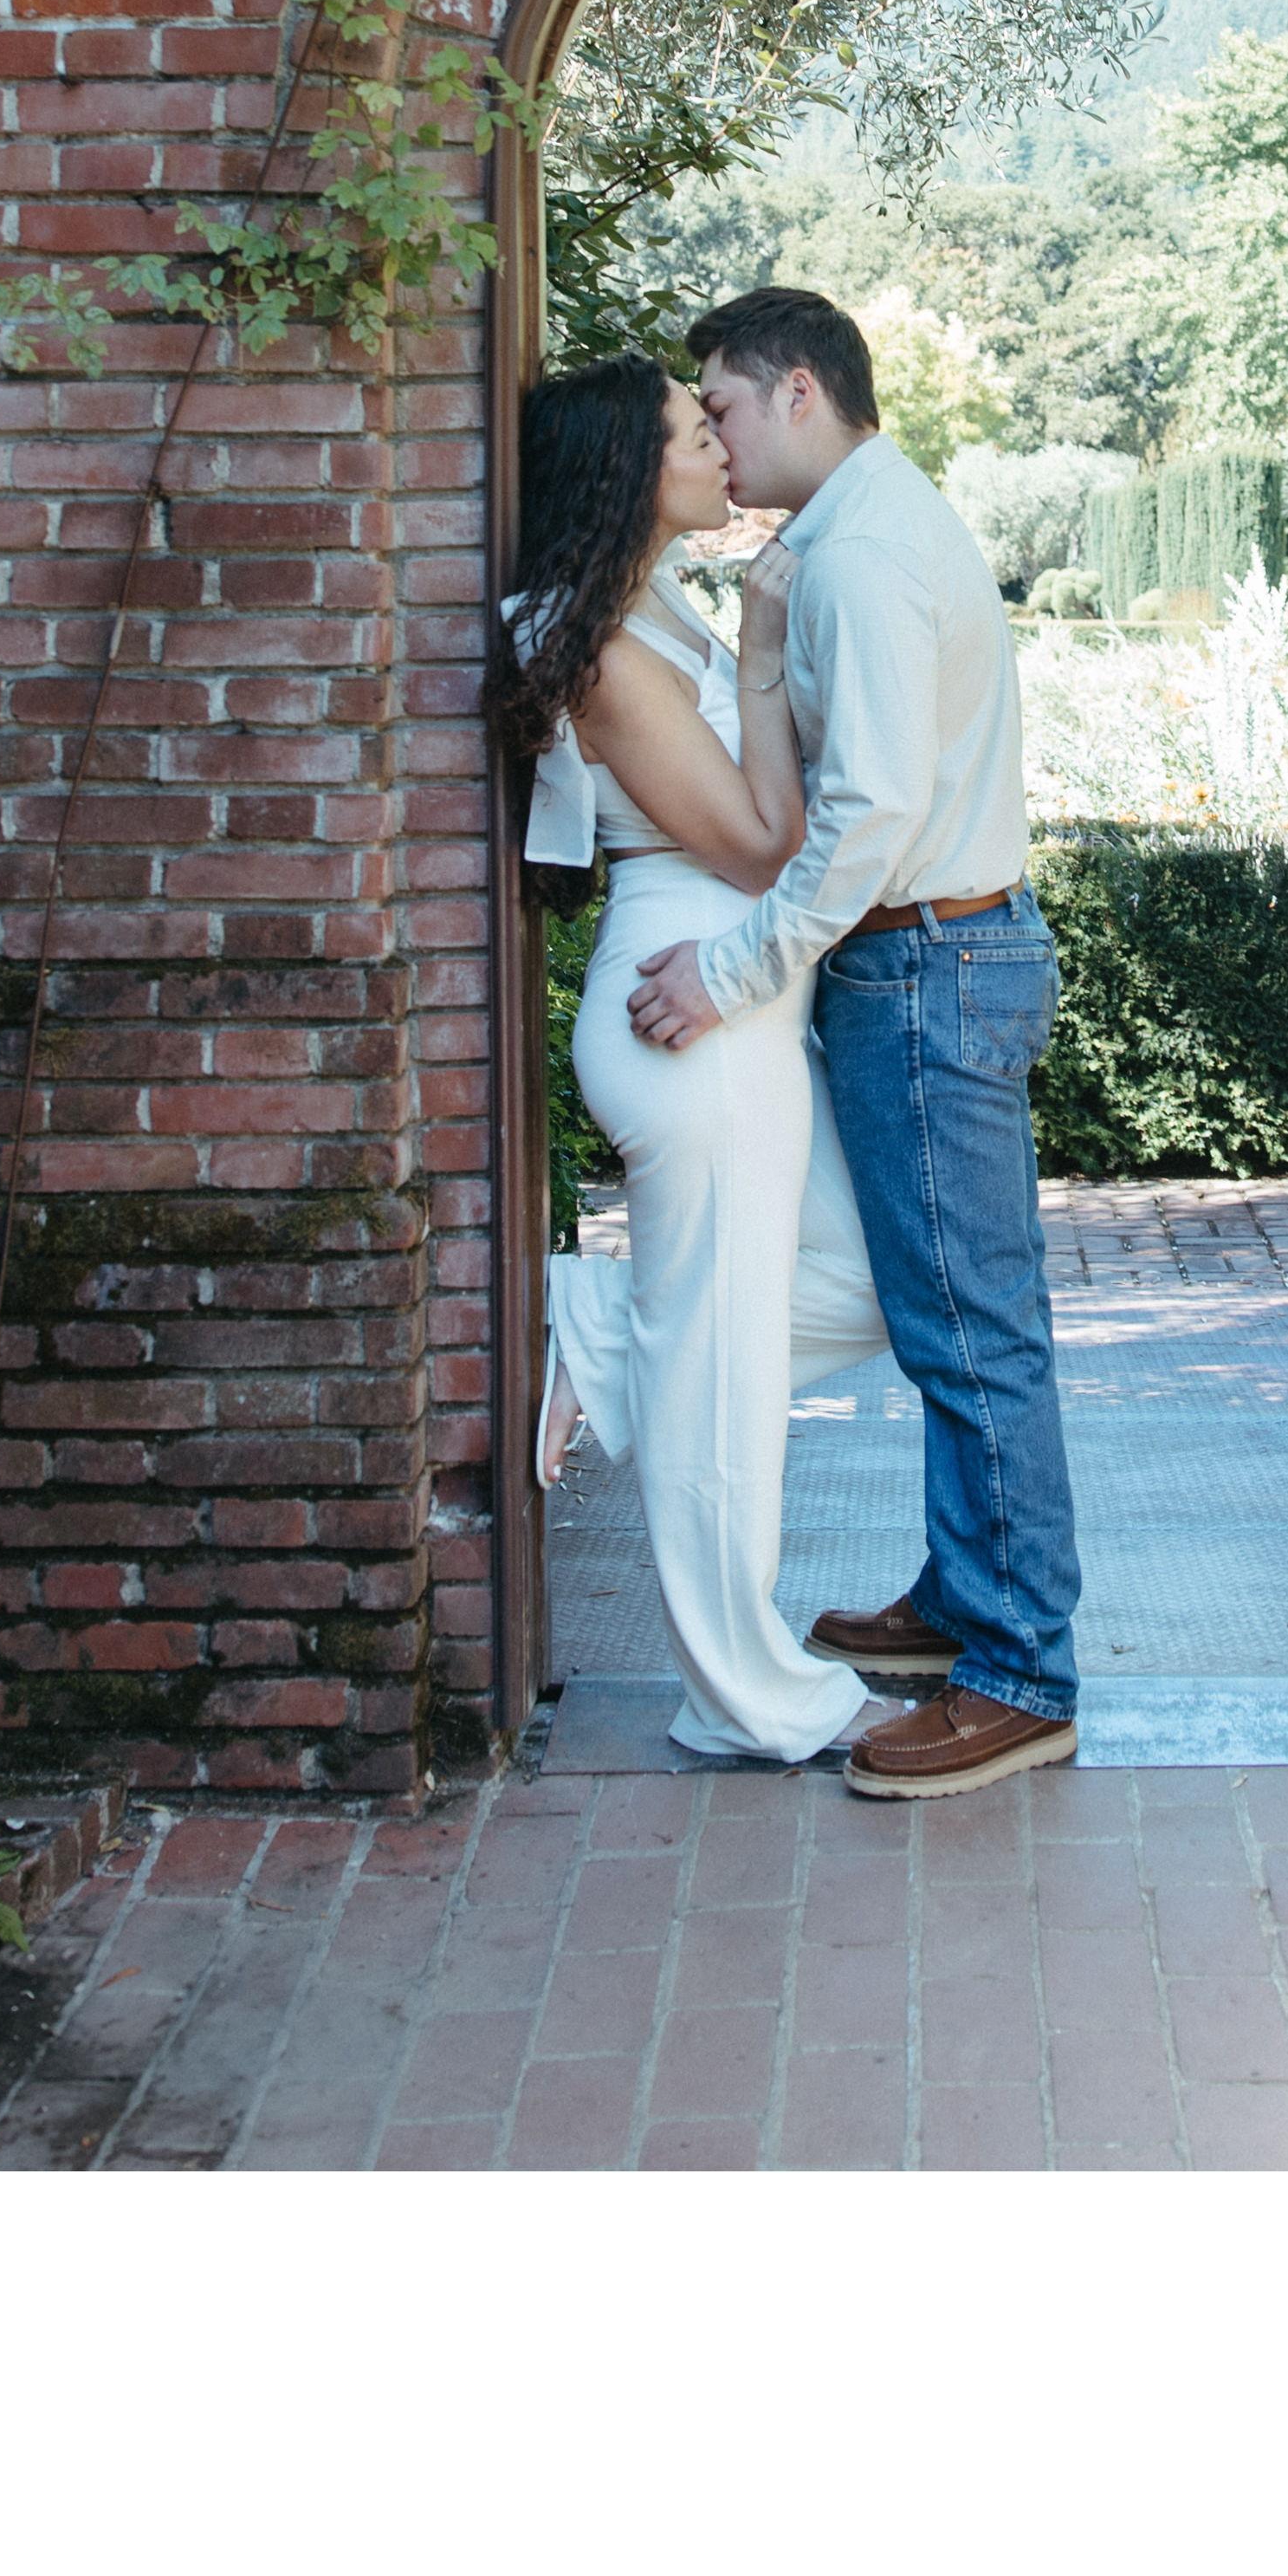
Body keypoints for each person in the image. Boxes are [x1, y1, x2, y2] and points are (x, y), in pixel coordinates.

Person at [624, 286, 1081, 1801]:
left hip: (929, 962)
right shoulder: (847, 538)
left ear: (801, 392)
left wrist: (733, 971)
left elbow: (871, 809)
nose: (716, 439)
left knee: (972, 1331)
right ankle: (967, 1601)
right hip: (928, 960)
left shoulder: (866, 556)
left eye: (724, 407)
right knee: (952, 1316)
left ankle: (1020, 1673)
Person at [489, 359, 878, 1769]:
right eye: (689, 428)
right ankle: (741, 1695)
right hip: (686, 1011)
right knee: (721, 1391)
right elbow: (764, 843)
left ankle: (603, 1330)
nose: (719, 443)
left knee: (869, 1287)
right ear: (625, 469)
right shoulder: (602, 649)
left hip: (740, 1013)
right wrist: (768, 651)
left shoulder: (658, 605)